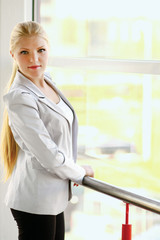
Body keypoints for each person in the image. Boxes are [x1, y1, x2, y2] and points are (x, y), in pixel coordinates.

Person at [0, 21, 94, 240]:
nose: (34, 59)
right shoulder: (20, 98)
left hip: (54, 196)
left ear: (48, 49)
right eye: (25, 52)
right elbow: (49, 155)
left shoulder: (47, 82)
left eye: (40, 50)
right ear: (13, 55)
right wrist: (79, 172)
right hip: (35, 200)